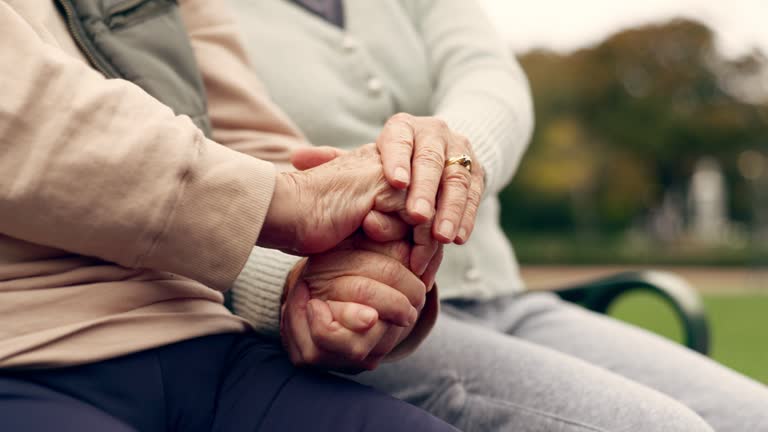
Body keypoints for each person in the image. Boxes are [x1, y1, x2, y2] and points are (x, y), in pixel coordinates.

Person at [228, 0, 768, 430]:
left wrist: (448, 165)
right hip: (360, 315)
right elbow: (190, 185)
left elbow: (491, 79)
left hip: (505, 301)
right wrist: (288, 283)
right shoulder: (185, 15)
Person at [0, 0, 478, 430]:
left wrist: (318, 281)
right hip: (23, 356)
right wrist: (296, 202)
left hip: (208, 345)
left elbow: (250, 145)